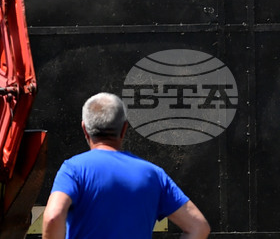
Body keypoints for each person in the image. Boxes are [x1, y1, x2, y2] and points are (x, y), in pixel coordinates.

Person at [42, 92, 211, 239]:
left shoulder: (73, 169)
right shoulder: (153, 174)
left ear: (85, 129)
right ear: (124, 129)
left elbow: (53, 217)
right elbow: (199, 227)